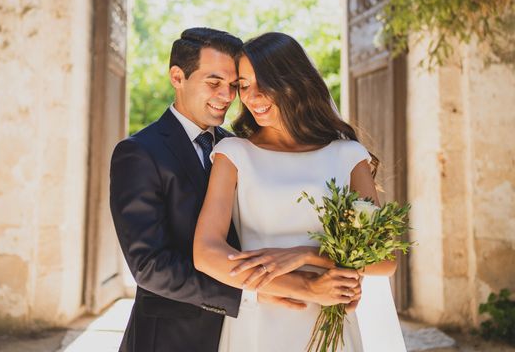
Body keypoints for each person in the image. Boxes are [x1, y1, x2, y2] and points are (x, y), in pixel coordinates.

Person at [110, 28, 362, 352]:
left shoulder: (240, 145)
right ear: (177, 77)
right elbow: (150, 267)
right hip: (174, 339)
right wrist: (252, 291)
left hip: (250, 333)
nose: (227, 96)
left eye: (233, 86)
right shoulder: (140, 152)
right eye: (214, 83)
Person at [193, 32, 406, 352]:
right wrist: (307, 287)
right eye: (244, 85)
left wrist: (306, 255)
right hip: (259, 323)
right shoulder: (233, 152)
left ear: (294, 80)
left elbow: (386, 260)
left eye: (264, 83)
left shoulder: (347, 155)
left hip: (331, 321)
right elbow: (206, 253)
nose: (253, 96)